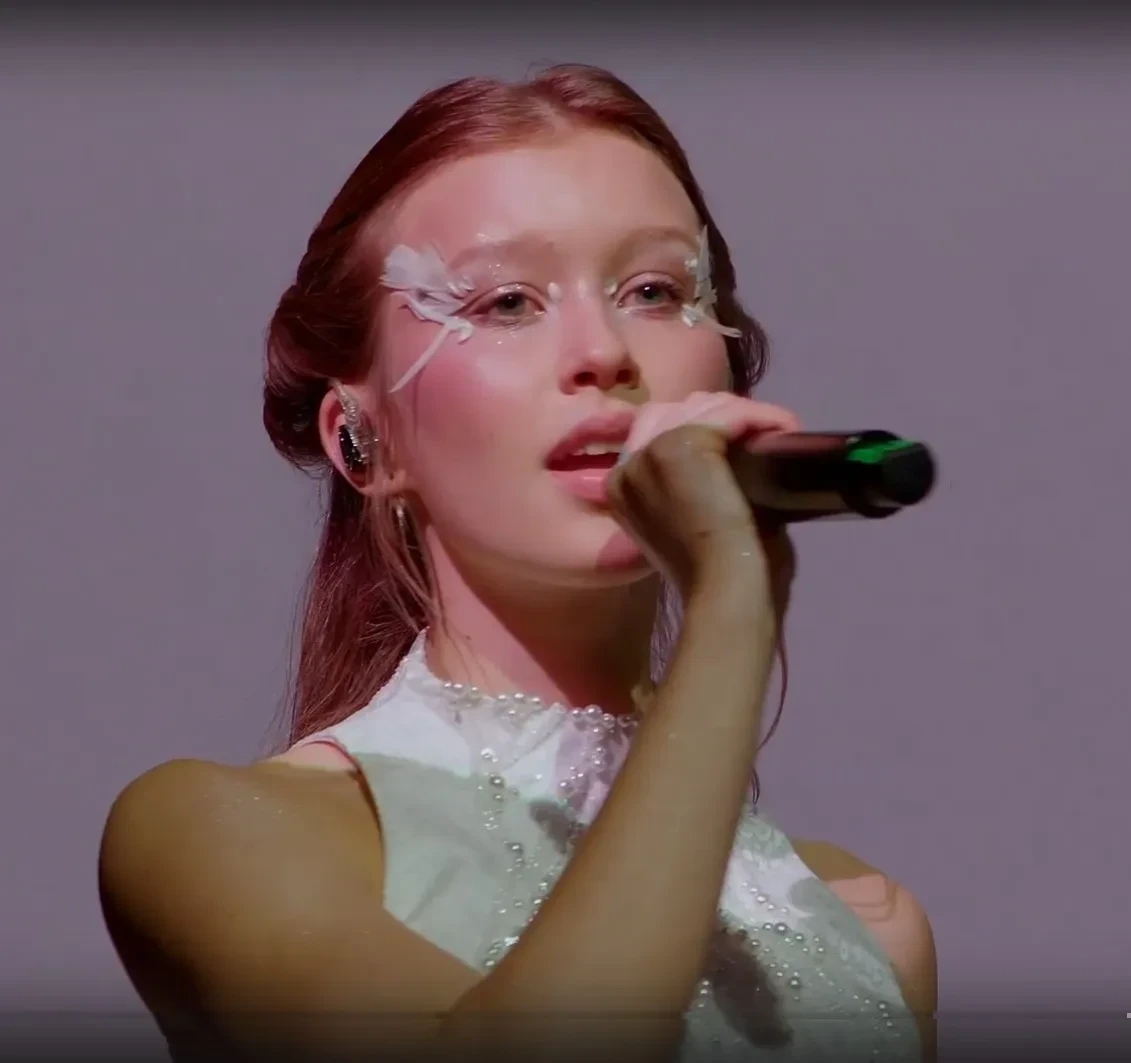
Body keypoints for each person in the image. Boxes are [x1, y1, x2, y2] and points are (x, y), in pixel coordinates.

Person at [98, 64, 937, 1061]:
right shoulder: (221, 836)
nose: (603, 353)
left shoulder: (865, 925)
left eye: (655, 290)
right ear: (365, 438)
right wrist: (729, 612)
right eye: (505, 302)